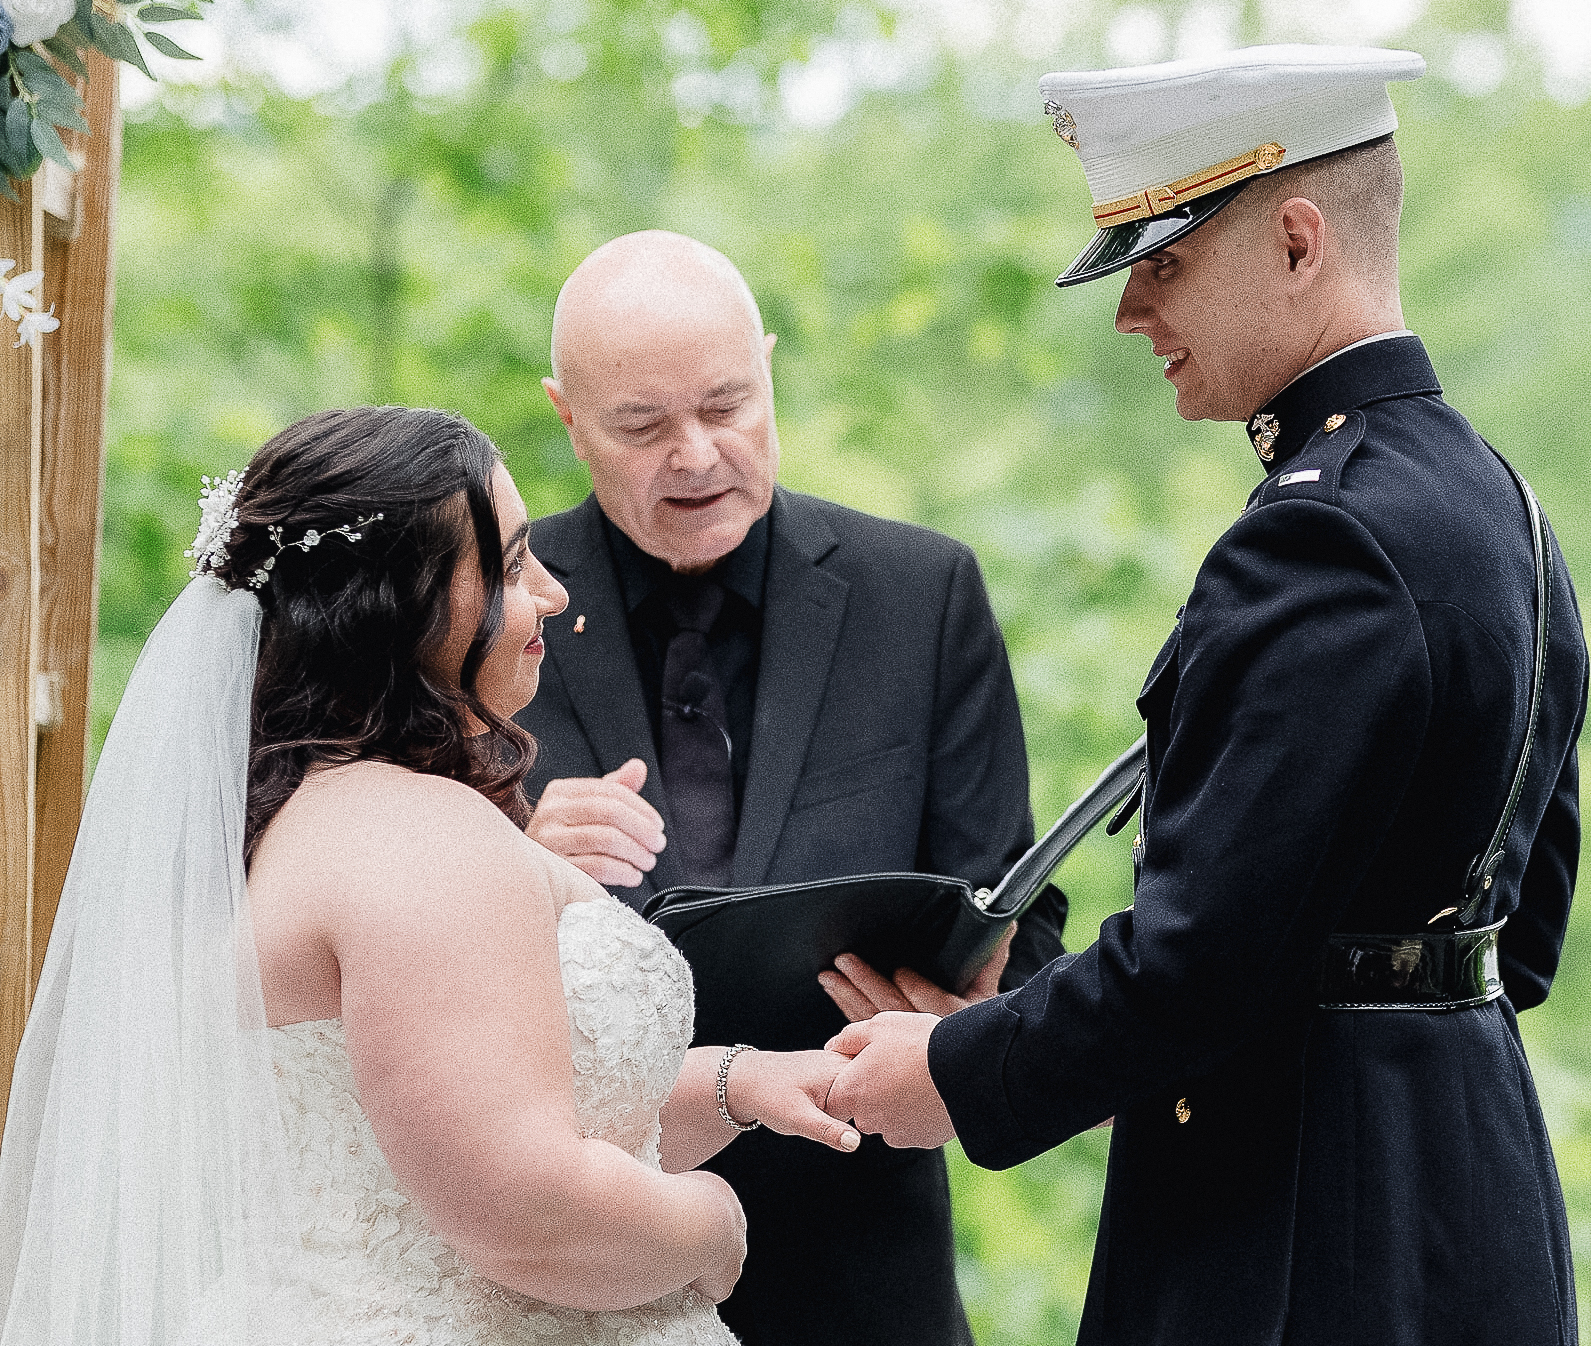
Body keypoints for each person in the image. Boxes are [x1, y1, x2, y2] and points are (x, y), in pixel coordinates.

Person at [824, 44, 1586, 1346]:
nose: (1128, 312)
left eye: (1162, 261)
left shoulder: (1317, 536)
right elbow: (1517, 933)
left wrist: (952, 1071)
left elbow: (1197, 963)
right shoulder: (1502, 504)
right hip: (1464, 1188)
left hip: (1297, 1227)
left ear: (1297, 241)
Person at [0, 406, 865, 1346]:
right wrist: (713, 1222)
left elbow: (429, 1117)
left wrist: (735, 1084)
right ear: (396, 603)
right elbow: (527, 1215)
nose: (549, 593)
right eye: (510, 562)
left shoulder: (302, 815)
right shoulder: (416, 838)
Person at [516, 230, 1068, 1346]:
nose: (695, 454)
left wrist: (972, 1020)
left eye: (728, 404)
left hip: (863, 1267)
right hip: (572, 1264)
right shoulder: (485, 611)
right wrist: (514, 847)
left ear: (769, 370)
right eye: (641, 423)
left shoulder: (924, 593)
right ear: (568, 417)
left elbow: (1026, 922)